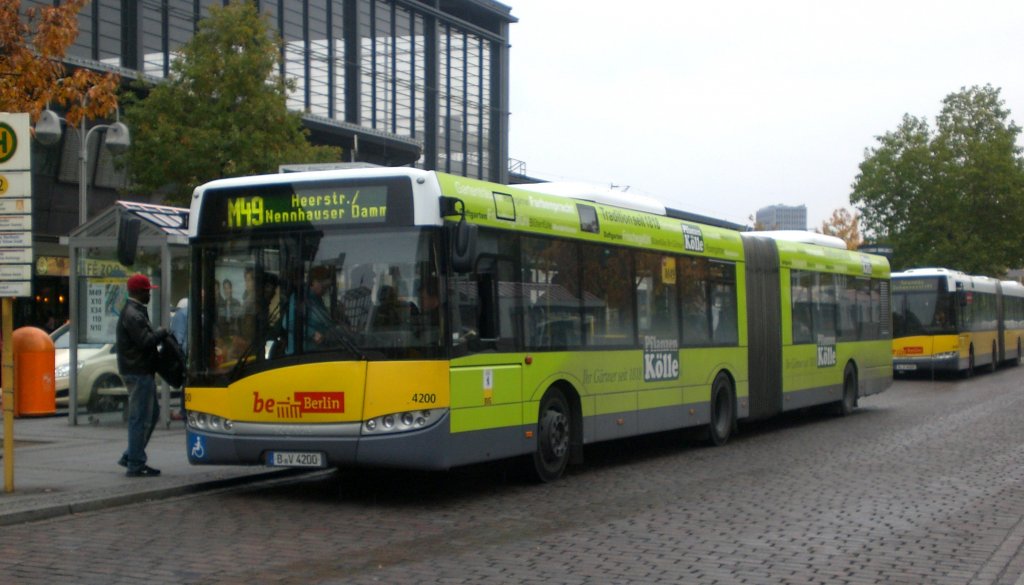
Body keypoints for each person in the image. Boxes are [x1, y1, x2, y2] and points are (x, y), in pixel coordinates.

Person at [116, 274, 168, 478]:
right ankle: (135, 463)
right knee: (141, 417)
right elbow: (145, 341)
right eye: (147, 290)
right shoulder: (133, 314)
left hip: (139, 370)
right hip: (138, 371)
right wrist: (161, 332)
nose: (149, 294)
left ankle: (131, 455)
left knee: (152, 413)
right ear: (139, 292)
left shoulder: (134, 311)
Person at [169, 298, 188, 420]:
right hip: (193, 354)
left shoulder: (180, 315)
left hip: (184, 354)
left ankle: (183, 411)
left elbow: (178, 339)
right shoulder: (196, 314)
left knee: (185, 384)